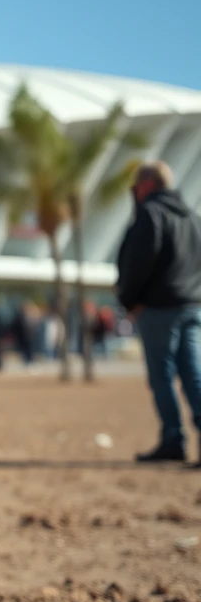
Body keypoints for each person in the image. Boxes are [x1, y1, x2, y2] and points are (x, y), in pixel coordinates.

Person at [116, 161, 201, 464]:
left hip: (158, 308)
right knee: (194, 374)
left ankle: (172, 440)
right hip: (192, 306)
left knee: (162, 376)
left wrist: (130, 300)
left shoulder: (151, 214)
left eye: (135, 188)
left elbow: (138, 262)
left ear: (147, 185)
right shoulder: (192, 216)